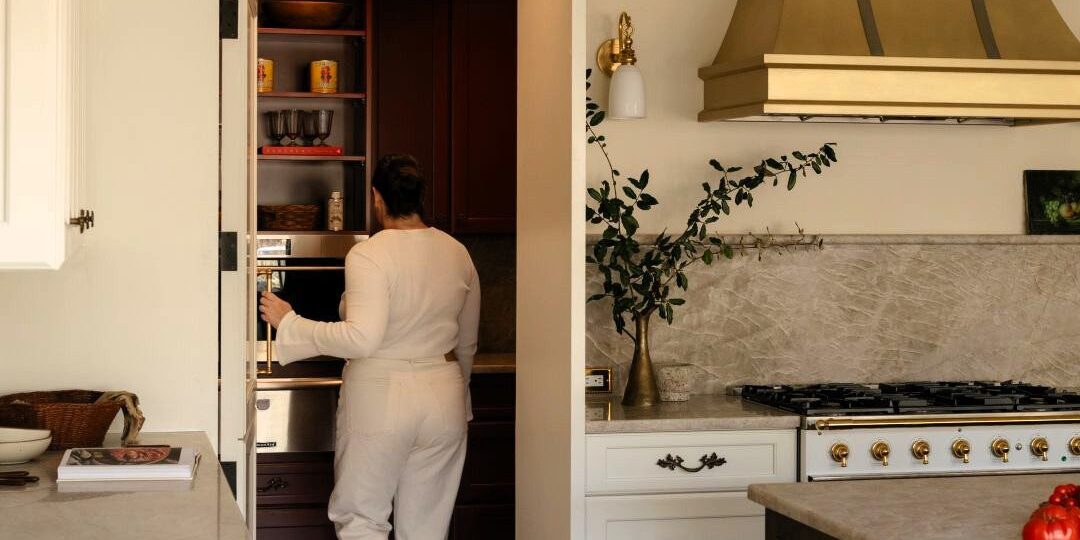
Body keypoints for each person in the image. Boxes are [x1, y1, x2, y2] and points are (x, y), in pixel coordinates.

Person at [259, 154, 480, 540]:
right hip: (445, 394)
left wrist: (290, 323)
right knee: (427, 528)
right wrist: (460, 398)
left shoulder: (370, 253)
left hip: (381, 395)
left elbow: (363, 337)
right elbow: (467, 342)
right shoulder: (457, 252)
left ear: (377, 197)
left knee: (362, 521)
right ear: (419, 196)